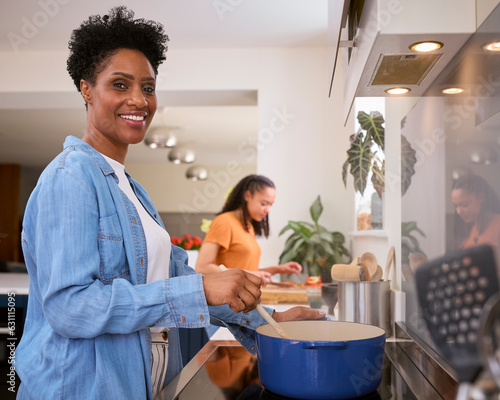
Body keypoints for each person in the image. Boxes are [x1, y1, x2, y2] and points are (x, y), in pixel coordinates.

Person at [15, 8, 325, 400]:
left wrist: (270, 323)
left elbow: (178, 282)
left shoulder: (134, 192)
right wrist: (200, 290)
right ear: (87, 89)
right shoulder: (71, 177)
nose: (138, 100)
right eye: (120, 84)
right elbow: (72, 307)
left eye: (147, 87)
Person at [195, 174, 302, 284]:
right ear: (247, 196)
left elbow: (247, 272)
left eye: (270, 205)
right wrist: (251, 274)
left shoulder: (248, 226)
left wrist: (278, 269)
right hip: (228, 298)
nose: (268, 210)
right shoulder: (224, 222)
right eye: (264, 204)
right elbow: (202, 268)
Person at [451, 173, 500, 250]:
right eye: (456, 206)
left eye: (464, 205)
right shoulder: (474, 229)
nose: (459, 212)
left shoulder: (497, 225)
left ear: (481, 197)